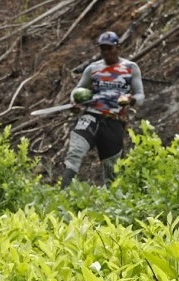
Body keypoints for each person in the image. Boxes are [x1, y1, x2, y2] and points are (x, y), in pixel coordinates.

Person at [60, 31, 145, 189]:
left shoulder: (130, 68)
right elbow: (78, 89)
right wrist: (75, 102)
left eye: (109, 48)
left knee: (112, 168)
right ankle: (62, 193)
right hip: (91, 116)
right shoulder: (93, 69)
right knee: (75, 151)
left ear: (118, 48)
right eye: (102, 49)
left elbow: (140, 95)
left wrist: (131, 99)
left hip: (113, 121)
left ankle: (112, 205)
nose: (106, 52)